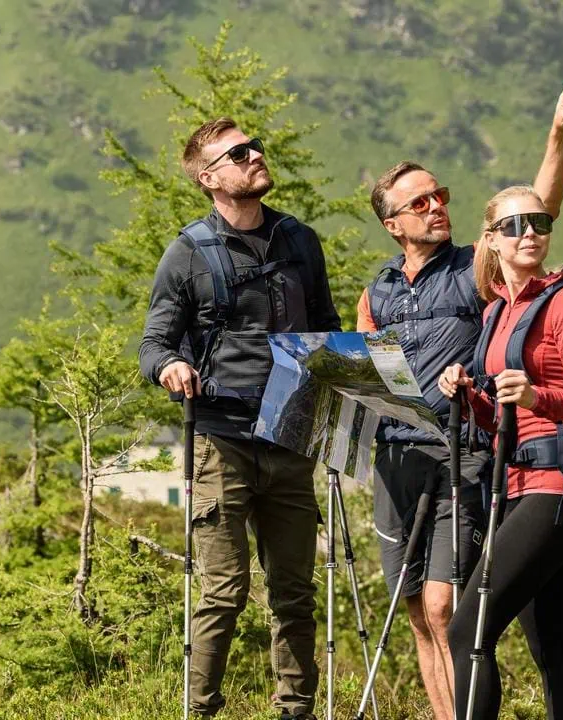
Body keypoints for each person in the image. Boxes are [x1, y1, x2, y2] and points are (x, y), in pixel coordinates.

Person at [356, 69, 563, 718]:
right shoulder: (377, 290)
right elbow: (372, 370)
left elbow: (531, 215)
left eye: (440, 196)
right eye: (420, 203)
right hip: (394, 461)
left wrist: (559, 135)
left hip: (461, 455)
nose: (437, 206)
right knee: (416, 612)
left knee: (446, 608)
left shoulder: (474, 268)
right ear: (393, 224)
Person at [138, 117, 341, 720]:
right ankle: (200, 710)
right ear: (209, 178)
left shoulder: (299, 241)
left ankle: (295, 711)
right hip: (220, 441)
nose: (255, 155)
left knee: (294, 594)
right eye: (238, 153)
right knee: (223, 592)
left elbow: (326, 328)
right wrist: (171, 366)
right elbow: (153, 344)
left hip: (291, 436)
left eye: (254, 146)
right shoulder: (188, 253)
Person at [439, 184, 563, 720]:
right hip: (515, 486)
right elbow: (500, 420)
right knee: (552, 646)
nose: (529, 232)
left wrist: (536, 395)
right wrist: (471, 395)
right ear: (491, 238)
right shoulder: (495, 313)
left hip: (559, 488)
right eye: (513, 225)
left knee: (467, 631)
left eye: (539, 222)